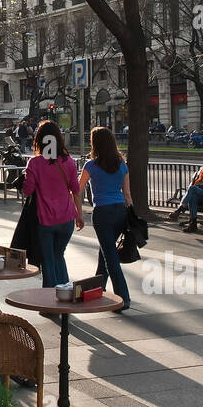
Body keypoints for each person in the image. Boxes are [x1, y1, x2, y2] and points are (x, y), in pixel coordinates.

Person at [77, 127, 132, 312]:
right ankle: (96, 289)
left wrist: (78, 212)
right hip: (120, 211)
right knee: (105, 251)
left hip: (102, 212)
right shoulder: (122, 164)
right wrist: (131, 216)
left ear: (95, 143)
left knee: (110, 257)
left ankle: (123, 298)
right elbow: (128, 195)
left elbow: (78, 189)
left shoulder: (91, 165)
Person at [22, 120, 82, 288]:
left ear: (39, 140)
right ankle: (65, 294)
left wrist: (25, 178)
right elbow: (76, 191)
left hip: (45, 219)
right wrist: (80, 216)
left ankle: (50, 300)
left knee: (48, 259)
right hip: (67, 219)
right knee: (58, 255)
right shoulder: (69, 162)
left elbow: (27, 190)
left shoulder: (35, 163)